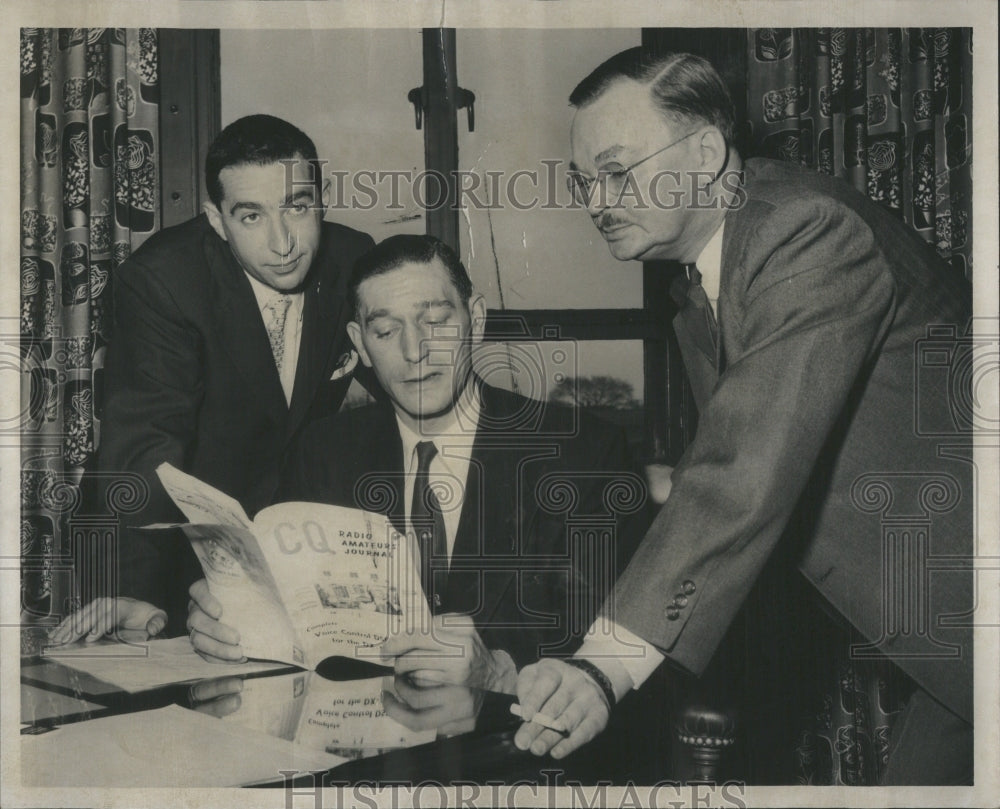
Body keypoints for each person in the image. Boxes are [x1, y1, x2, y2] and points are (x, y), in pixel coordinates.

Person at [513, 49, 974, 785]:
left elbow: (741, 473)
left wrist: (603, 667)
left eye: (617, 170)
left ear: (704, 150)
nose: (596, 199)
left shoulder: (805, 230)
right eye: (582, 182)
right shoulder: (697, 298)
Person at [185, 234, 652, 690]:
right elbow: (290, 612)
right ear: (361, 344)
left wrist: (501, 673)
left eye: (435, 322)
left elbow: (616, 649)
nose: (414, 352)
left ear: (477, 318)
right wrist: (232, 616)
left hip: (516, 755)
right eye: (386, 331)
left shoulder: (583, 454)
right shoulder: (323, 453)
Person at [51, 115, 375, 643]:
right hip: (172, 550)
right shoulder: (163, 280)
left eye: (298, 207)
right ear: (217, 220)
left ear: (320, 199)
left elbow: (410, 397)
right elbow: (147, 441)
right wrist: (132, 587)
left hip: (292, 554)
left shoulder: (353, 261)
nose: (284, 242)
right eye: (251, 216)